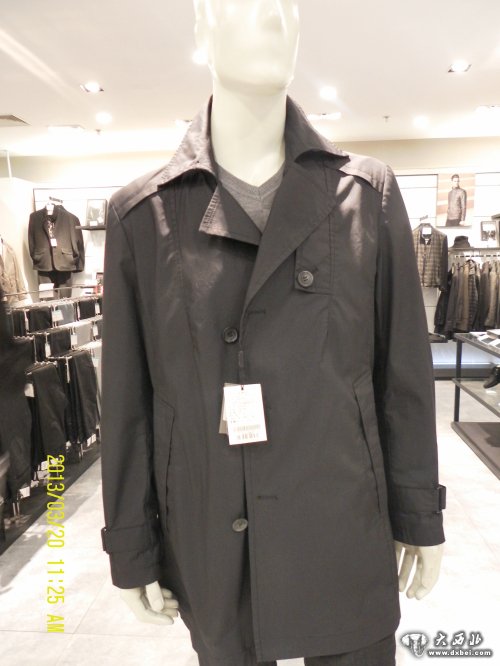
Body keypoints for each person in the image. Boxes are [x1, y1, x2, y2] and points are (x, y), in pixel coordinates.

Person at [100, 2, 446, 665]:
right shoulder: (142, 215)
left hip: (343, 526)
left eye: (285, 3)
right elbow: (127, 407)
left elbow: (403, 377)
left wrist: (418, 512)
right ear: (200, 26)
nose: (266, 14)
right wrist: (131, 544)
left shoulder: (365, 193)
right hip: (214, 532)